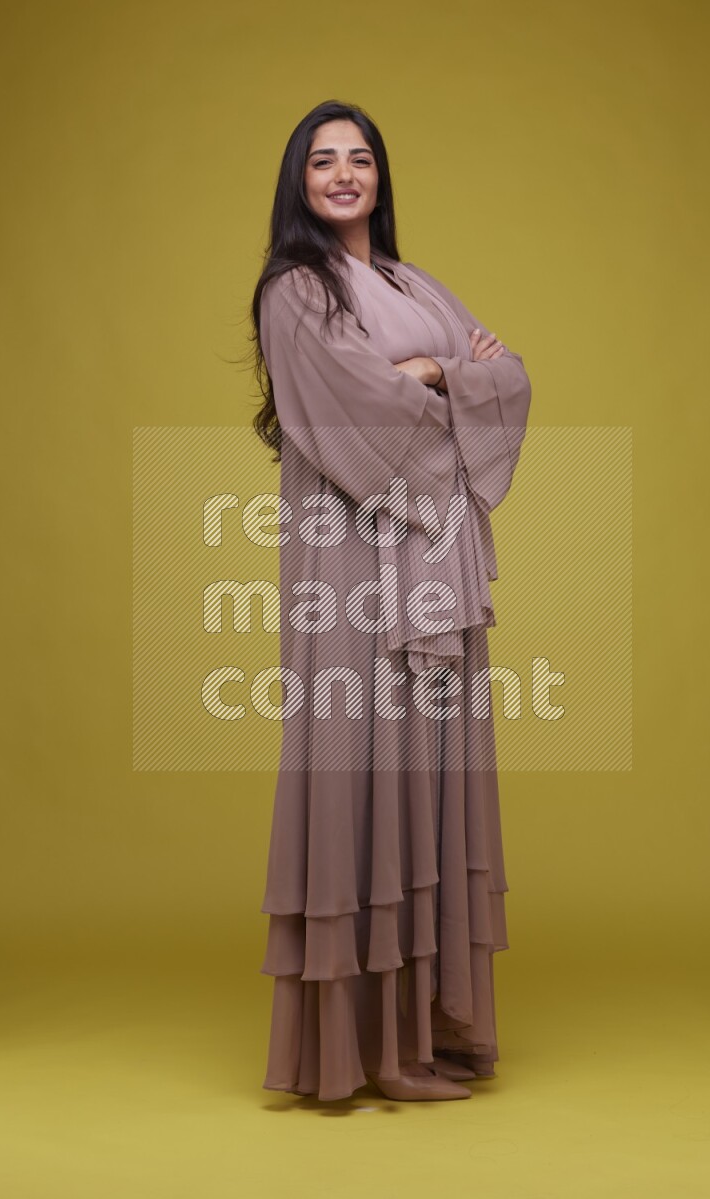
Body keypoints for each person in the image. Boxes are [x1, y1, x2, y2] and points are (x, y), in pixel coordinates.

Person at [248, 100, 532, 1102]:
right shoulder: (294, 291)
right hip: (352, 570)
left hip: (431, 562)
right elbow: (355, 411)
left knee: (428, 771)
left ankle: (425, 1030)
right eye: (320, 160)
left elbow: (509, 377)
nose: (340, 174)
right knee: (362, 769)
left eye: (357, 158)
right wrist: (445, 378)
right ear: (299, 179)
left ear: (378, 177)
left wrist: (431, 371)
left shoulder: (412, 283)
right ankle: (362, 1050)